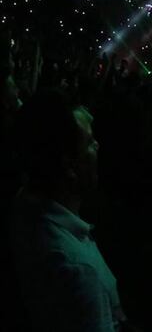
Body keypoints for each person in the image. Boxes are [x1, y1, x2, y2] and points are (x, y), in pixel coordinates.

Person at [9, 90, 125, 331]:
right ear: (69, 166)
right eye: (91, 142)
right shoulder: (79, 273)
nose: (98, 145)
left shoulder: (23, 206)